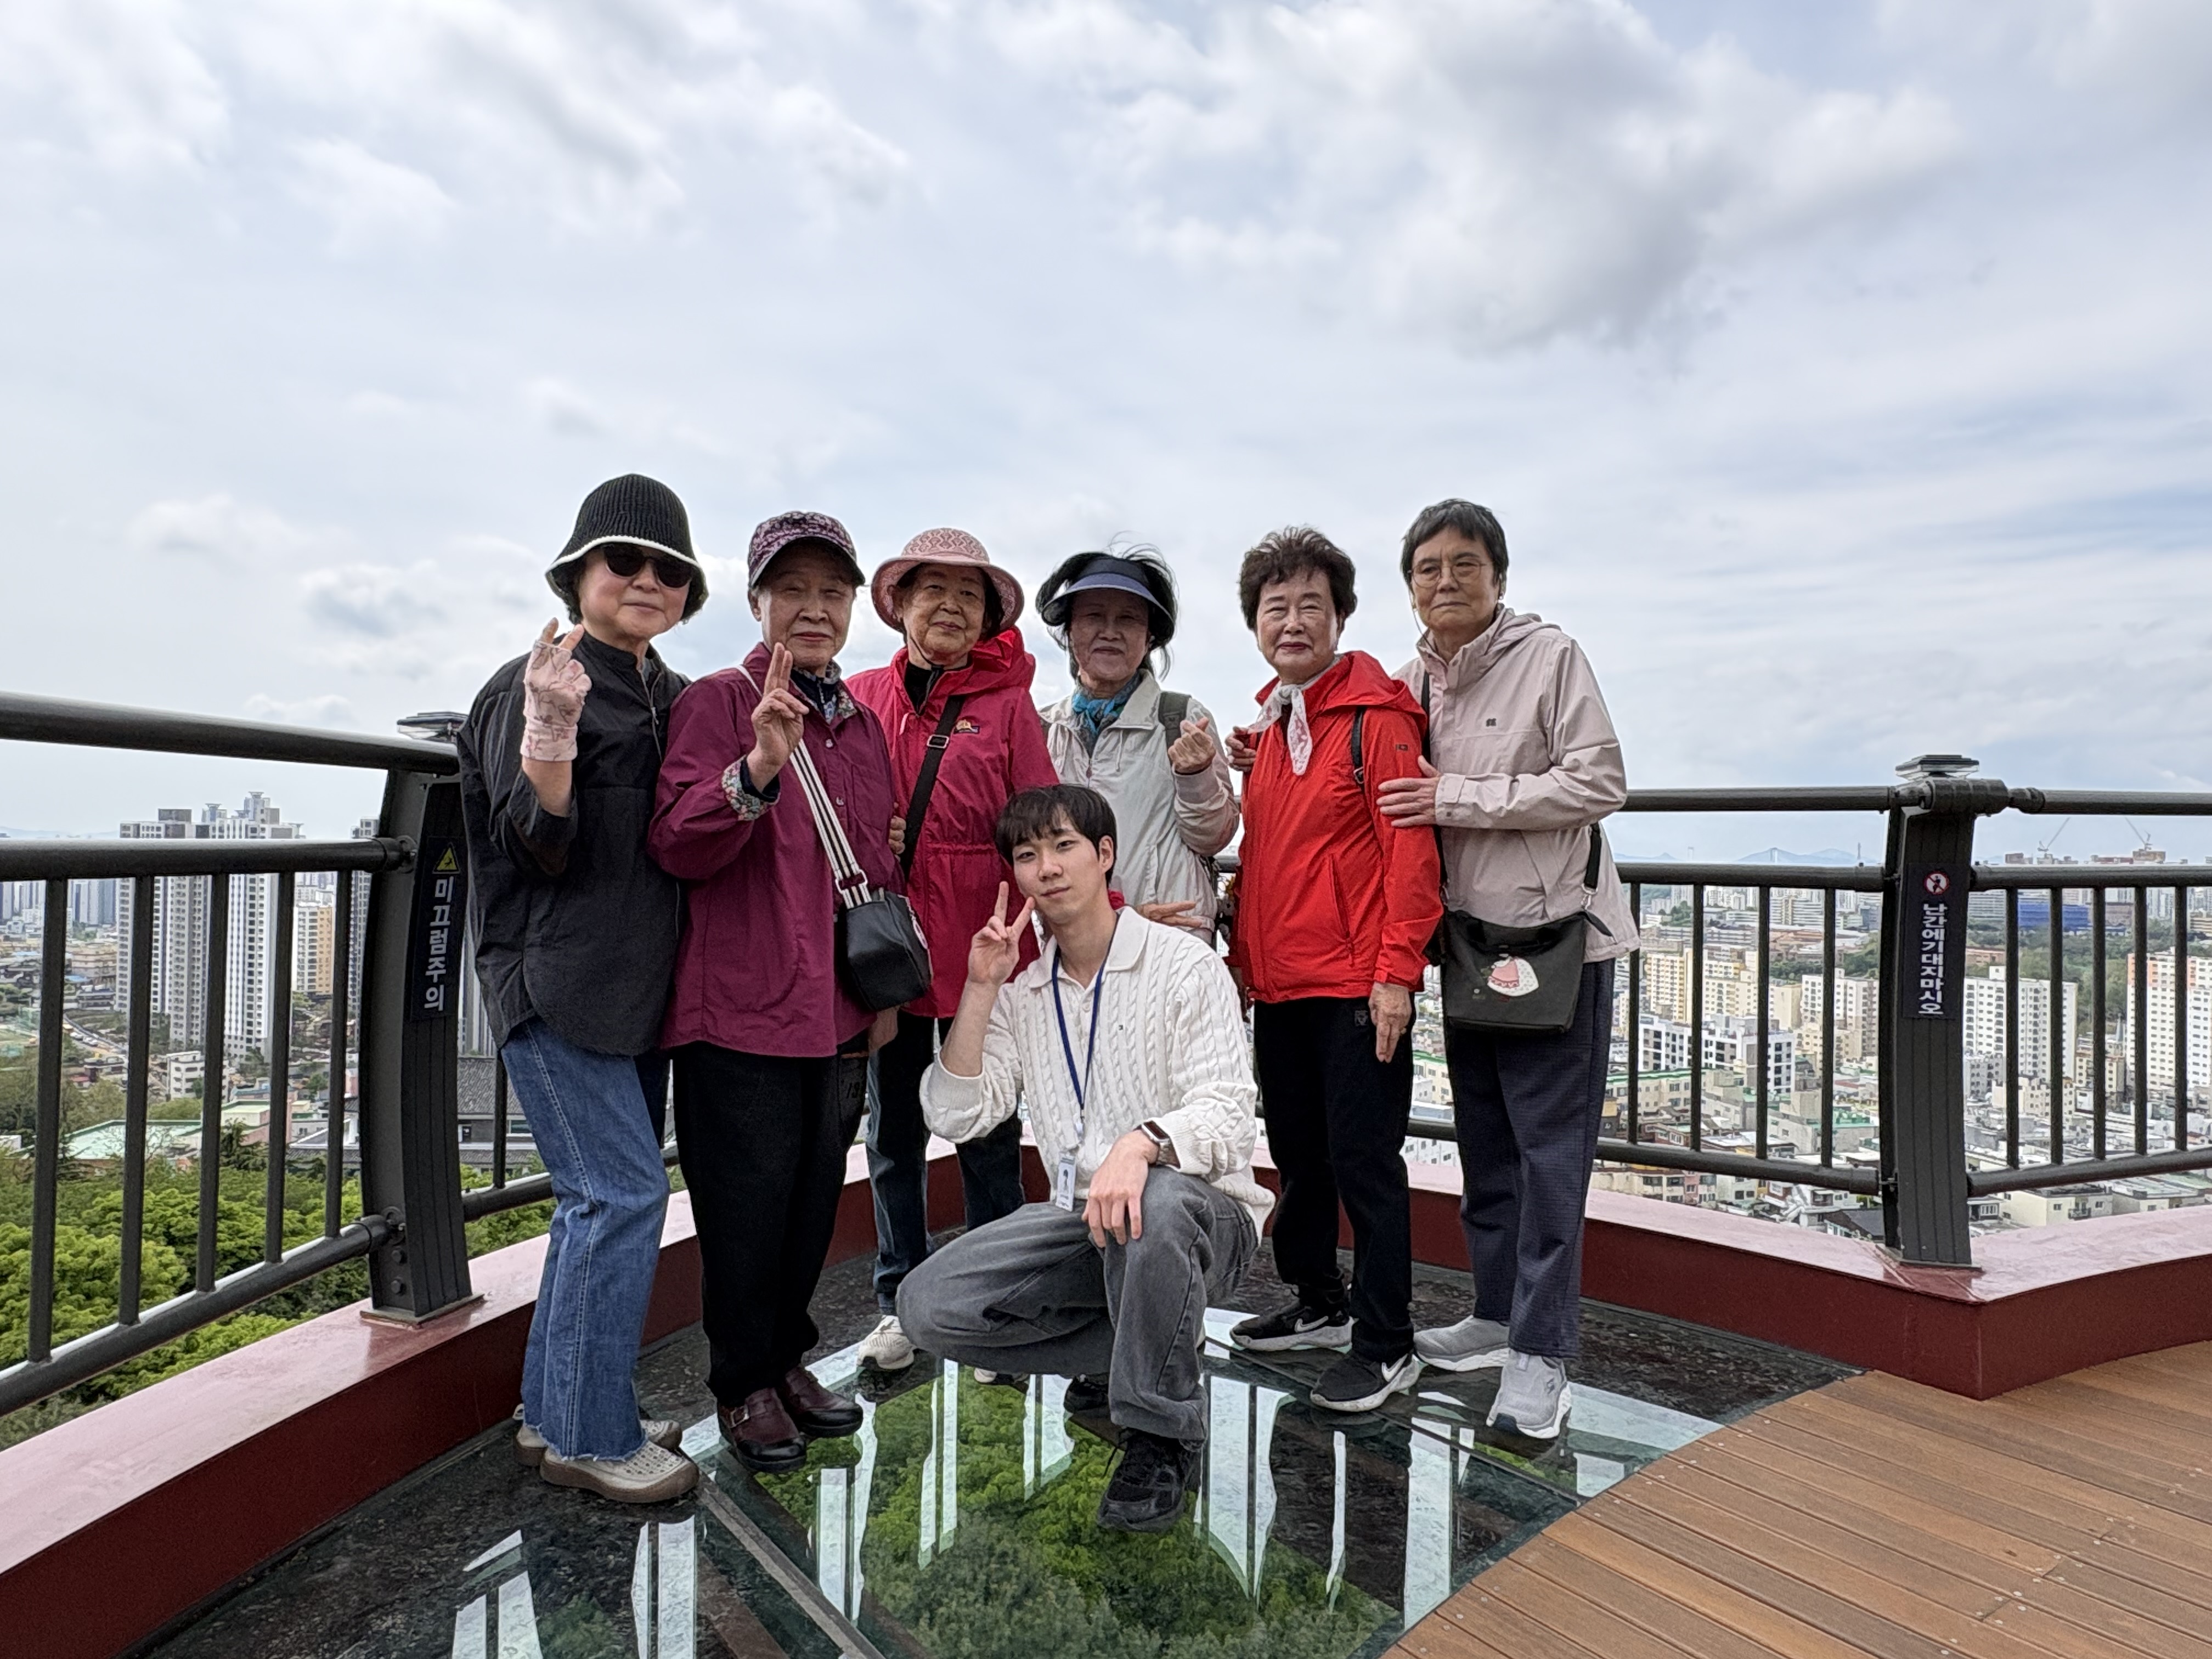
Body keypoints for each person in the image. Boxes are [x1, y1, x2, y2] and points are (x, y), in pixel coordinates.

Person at [896, 785, 1270, 1533]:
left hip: (1202, 1217)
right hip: (1083, 1222)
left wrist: (1142, 1143)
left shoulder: (1182, 965)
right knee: (926, 1306)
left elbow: (1231, 1114)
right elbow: (956, 1113)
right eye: (1027, 855)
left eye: (1064, 846)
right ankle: (1146, 1345)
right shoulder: (1025, 993)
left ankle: (1161, 1432)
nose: (1047, 868)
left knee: (1153, 1201)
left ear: (1104, 856)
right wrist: (980, 988)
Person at [456, 473, 705, 1504]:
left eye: (668, 569)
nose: (647, 580)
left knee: (590, 1204)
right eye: (623, 561)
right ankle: (591, 1436)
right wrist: (550, 733)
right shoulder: (534, 681)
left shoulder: (672, 694)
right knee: (624, 1194)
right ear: (578, 575)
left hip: (635, 990)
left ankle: (556, 1406)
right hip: (555, 980)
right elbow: (534, 841)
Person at [648, 510, 902, 1472]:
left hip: (835, 1006)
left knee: (808, 1203)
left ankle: (787, 1361)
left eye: (832, 591)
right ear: (756, 601)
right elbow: (677, 841)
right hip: (740, 1009)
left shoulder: (860, 722)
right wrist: (756, 768)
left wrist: (881, 999)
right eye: (791, 589)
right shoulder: (719, 701)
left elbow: (876, 863)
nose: (814, 608)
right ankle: (742, 1382)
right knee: (744, 1207)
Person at [1379, 500, 1633, 1441]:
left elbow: (1599, 780)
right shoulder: (1412, 681)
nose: (1445, 581)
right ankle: (1494, 1315)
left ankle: (1541, 1353)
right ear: (1410, 585)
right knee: (1485, 1143)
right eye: (1428, 568)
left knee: (1549, 1155)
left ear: (1498, 576)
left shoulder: (1550, 657)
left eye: (1465, 564)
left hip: (1557, 941)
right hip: (1469, 944)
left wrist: (1459, 795)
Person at [1222, 527, 1442, 1414]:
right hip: (1281, 985)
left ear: (1341, 617)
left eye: (1310, 604)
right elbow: (1268, 858)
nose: (1292, 621)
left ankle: (1387, 1341)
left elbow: (1410, 855)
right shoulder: (1275, 725)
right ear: (1255, 624)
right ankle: (1319, 1299)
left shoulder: (1378, 719)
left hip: (1356, 985)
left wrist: (1396, 975)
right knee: (1299, 1157)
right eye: (1275, 607)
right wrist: (1243, 965)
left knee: (1365, 1163)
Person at [845, 529, 1060, 1374]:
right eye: (932, 589)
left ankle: (993, 1305)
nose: (949, 607)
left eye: (968, 595)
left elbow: (1041, 824)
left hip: (983, 951)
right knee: (893, 1134)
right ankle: (899, 1300)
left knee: (990, 1133)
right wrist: (878, 831)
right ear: (899, 603)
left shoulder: (1007, 707)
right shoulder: (861, 696)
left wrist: (1095, 920)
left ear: (988, 618)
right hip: (890, 953)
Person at [1036, 547, 1237, 936]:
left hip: (1169, 939)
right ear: (1069, 631)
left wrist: (1195, 775)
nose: (1110, 631)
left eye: (1128, 619)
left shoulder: (1181, 717)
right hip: (1072, 941)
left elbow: (1213, 837)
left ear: (1149, 638)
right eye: (1094, 616)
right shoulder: (1042, 727)